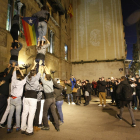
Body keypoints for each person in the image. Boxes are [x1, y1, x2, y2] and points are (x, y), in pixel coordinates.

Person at [21, 61, 41, 136]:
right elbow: (39, 73)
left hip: (26, 97)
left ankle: (23, 128)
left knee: (24, 113)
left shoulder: (27, 78)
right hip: (33, 97)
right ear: (35, 74)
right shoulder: (36, 79)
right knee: (31, 114)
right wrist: (39, 65)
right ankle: (29, 130)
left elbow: (30, 73)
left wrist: (33, 65)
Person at [39, 66, 60, 131]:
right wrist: (46, 70)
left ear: (45, 78)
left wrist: (42, 69)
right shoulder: (51, 81)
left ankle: (46, 126)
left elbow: (40, 75)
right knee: (54, 112)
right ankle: (57, 126)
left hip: (48, 98)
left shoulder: (44, 82)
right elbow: (49, 76)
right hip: (53, 98)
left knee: (44, 112)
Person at [7, 66, 26, 133]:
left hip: (12, 98)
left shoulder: (13, 81)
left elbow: (13, 74)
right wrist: (20, 69)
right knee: (18, 114)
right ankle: (18, 127)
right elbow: (24, 77)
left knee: (10, 114)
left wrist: (15, 68)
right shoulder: (21, 83)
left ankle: (9, 127)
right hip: (17, 99)